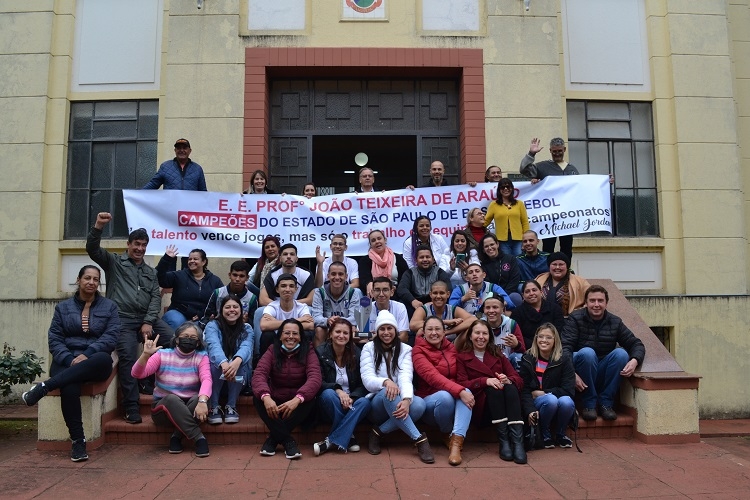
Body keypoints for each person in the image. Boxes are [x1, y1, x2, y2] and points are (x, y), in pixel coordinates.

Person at [21, 265, 119, 462]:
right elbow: (55, 338)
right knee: (69, 386)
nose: (91, 282)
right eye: (87, 278)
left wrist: (88, 354)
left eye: (95, 279)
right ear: (79, 280)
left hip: (94, 360)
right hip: (66, 359)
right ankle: (78, 441)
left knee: (102, 358)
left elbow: (111, 337)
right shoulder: (63, 308)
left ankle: (44, 387)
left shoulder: (110, 307)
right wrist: (68, 359)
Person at [86, 212, 173, 423]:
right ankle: (131, 406)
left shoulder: (150, 272)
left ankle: (156, 384)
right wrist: (98, 226)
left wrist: (148, 321)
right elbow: (93, 250)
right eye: (137, 244)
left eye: (144, 245)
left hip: (146, 318)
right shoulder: (114, 262)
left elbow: (155, 297)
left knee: (173, 339)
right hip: (122, 320)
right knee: (127, 357)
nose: (140, 249)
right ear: (128, 244)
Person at [561, 285, 645, 422]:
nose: (596, 304)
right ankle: (589, 405)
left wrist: (635, 360)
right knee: (588, 353)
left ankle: (606, 403)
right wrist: (571, 374)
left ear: (606, 303)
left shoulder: (615, 322)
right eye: (592, 300)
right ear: (586, 303)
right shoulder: (575, 319)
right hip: (581, 370)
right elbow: (564, 347)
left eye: (600, 301)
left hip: (602, 369)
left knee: (621, 354)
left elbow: (636, 344)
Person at [360, 311, 433, 463]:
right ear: (377, 331)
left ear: (396, 330)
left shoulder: (406, 349)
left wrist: (406, 399)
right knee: (389, 392)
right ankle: (419, 439)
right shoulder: (368, 347)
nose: (386, 332)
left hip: (398, 401)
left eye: (389, 328)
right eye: (382, 329)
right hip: (378, 403)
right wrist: (386, 382)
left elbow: (406, 376)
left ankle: (377, 432)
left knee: (419, 405)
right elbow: (367, 379)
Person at [131, 323, 212, 458]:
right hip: (163, 411)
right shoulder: (162, 355)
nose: (189, 339)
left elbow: (207, 380)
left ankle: (176, 436)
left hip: (191, 407)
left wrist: (203, 400)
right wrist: (145, 355)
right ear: (177, 339)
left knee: (200, 398)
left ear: (198, 343)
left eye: (193, 337)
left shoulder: (201, 357)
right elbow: (137, 374)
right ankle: (199, 438)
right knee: (172, 398)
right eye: (185, 336)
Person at [455, 320, 526, 464]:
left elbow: (518, 379)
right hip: (481, 409)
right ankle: (504, 441)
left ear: (489, 337)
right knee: (493, 389)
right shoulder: (462, 357)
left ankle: (517, 442)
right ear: (470, 336)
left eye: (485, 333)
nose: (481, 337)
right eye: (477, 333)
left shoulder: (497, 354)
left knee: (510, 386)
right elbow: (461, 384)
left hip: (505, 407)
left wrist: (508, 379)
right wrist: (484, 381)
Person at [252, 318, 322, 459]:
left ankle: (273, 439)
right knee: (258, 398)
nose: (291, 337)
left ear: (301, 337)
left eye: (295, 334)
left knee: (310, 398)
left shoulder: (308, 350)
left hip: (298, 402)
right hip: (276, 400)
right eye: (287, 333)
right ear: (280, 336)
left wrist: (298, 398)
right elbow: (259, 374)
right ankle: (288, 441)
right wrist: (266, 397)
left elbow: (315, 377)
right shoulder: (272, 350)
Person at [412, 316, 474, 466]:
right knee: (448, 395)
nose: (434, 333)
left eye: (438, 329)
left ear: (444, 331)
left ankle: (455, 444)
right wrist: (459, 391)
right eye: (430, 329)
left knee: (466, 391)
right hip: (429, 403)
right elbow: (433, 378)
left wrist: (462, 390)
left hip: (450, 396)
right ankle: (447, 432)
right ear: (424, 333)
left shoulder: (450, 347)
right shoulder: (417, 352)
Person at [313, 318, 371, 455]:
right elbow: (317, 382)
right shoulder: (319, 352)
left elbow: (363, 384)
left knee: (365, 402)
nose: (341, 335)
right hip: (330, 403)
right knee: (328, 394)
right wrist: (338, 391)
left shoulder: (357, 353)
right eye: (337, 332)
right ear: (330, 334)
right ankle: (349, 436)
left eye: (346, 333)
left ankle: (331, 441)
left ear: (350, 336)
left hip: (352, 403)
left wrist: (351, 397)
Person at [519, 137, 580, 257]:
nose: (557, 153)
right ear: (550, 151)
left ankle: (566, 272)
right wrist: (531, 153)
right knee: (548, 247)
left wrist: (605, 182)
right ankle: (547, 272)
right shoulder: (542, 167)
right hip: (548, 215)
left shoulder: (572, 169)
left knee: (567, 247)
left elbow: (582, 188)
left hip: (568, 215)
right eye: (554, 151)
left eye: (559, 151)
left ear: (564, 149)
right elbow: (524, 169)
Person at [520, 323, 576, 449]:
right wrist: (529, 410)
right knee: (551, 400)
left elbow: (568, 390)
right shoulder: (528, 358)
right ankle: (545, 434)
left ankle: (561, 434)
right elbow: (524, 389)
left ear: (555, 340)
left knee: (566, 401)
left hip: (553, 397)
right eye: (541, 336)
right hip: (538, 402)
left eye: (548, 337)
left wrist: (544, 392)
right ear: (536, 338)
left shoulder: (564, 359)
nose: (544, 340)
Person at [203, 295, 254, 425]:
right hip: (216, 376)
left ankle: (231, 406)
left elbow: (246, 347)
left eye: (235, 307)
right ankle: (214, 406)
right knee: (213, 362)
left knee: (240, 362)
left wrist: (236, 361)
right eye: (228, 307)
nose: (232, 310)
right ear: (221, 310)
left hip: (239, 379)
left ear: (241, 310)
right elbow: (213, 346)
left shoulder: (246, 328)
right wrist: (224, 364)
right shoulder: (212, 325)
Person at [156, 246, 223, 330]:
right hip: (178, 314)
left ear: (203, 262)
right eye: (190, 259)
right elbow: (158, 278)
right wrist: (166, 259)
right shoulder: (179, 275)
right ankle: (174, 343)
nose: (192, 261)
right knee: (176, 321)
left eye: (195, 259)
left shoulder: (215, 281)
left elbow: (221, 300)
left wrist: (202, 315)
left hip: (202, 318)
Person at [259, 274, 315, 357]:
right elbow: (263, 325)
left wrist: (275, 323)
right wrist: (299, 320)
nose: (287, 289)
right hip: (278, 341)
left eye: (291, 286)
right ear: (277, 289)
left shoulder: (302, 307)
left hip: (296, 340)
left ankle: (303, 362)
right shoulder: (272, 306)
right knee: (267, 335)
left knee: (307, 334)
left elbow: (310, 325)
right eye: (283, 286)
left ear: (296, 289)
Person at [311, 261, 363, 347]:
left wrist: (338, 322)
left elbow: (354, 318)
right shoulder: (319, 292)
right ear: (328, 276)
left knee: (354, 330)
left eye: (340, 274)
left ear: (346, 277)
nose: (337, 277)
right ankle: (320, 359)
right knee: (319, 330)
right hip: (327, 326)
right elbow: (316, 317)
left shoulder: (353, 292)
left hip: (345, 326)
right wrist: (327, 321)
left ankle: (349, 358)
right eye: (333, 274)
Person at [396, 246, 453, 318]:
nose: (425, 259)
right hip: (414, 304)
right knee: (402, 302)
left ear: (433, 259)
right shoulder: (410, 273)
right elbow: (402, 289)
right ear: (416, 260)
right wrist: (413, 301)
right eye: (421, 257)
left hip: (435, 303)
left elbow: (448, 289)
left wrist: (434, 302)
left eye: (428, 257)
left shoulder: (439, 272)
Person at [200, 260, 258, 328]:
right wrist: (210, 321)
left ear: (247, 278)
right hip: (219, 329)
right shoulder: (218, 293)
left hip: (241, 330)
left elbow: (254, 324)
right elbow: (206, 317)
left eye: (242, 276)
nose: (237, 279)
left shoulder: (252, 298)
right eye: (235, 275)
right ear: (229, 275)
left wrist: (247, 321)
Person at [409, 281, 473, 341]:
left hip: (451, 347)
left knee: (468, 330)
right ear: (430, 294)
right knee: (420, 331)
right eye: (435, 293)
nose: (438, 296)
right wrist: (444, 322)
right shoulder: (423, 309)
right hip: (428, 346)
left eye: (442, 293)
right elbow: (413, 325)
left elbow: (473, 320)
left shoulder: (453, 309)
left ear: (448, 294)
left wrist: (447, 332)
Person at [511, 280, 565, 350]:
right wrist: (535, 346)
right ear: (523, 295)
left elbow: (559, 331)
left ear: (541, 292)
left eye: (534, 290)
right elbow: (518, 335)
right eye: (527, 291)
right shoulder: (517, 312)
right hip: (527, 350)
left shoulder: (555, 309)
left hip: (552, 348)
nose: (531, 293)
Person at [484, 178, 529, 257]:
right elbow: (486, 221)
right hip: (502, 240)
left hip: (518, 239)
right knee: (507, 260)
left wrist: (526, 238)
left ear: (512, 189)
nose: (505, 189)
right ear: (499, 190)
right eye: (502, 187)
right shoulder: (494, 205)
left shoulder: (519, 204)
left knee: (519, 259)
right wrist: (473, 226)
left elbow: (525, 222)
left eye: (508, 187)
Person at [448, 263, 515, 316]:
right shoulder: (460, 290)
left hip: (489, 319)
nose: (474, 274)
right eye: (471, 272)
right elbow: (450, 310)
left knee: (509, 313)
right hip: (467, 321)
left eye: (477, 271)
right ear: (466, 278)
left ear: (484, 275)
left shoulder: (493, 287)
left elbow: (510, 304)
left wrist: (497, 301)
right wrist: (463, 299)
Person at [536, 252, 590, 316]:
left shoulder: (580, 282)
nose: (557, 267)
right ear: (549, 266)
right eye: (554, 264)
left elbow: (591, 298)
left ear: (567, 266)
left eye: (561, 264)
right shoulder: (539, 279)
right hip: (542, 320)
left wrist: (578, 314)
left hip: (570, 321)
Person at [142, 138, 207, 191]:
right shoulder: (165, 167)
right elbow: (153, 184)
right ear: (175, 150)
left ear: (190, 151)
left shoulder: (197, 169)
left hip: (189, 206)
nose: (181, 150)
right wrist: (136, 195)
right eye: (178, 148)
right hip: (171, 206)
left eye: (184, 148)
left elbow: (203, 192)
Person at [358, 229, 409, 297]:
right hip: (375, 294)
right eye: (373, 240)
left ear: (385, 240)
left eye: (379, 238)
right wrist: (369, 284)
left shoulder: (398, 258)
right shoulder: (364, 261)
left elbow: (405, 280)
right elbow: (364, 279)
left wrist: (392, 290)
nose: (377, 242)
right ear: (370, 244)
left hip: (396, 294)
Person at [481, 295, 526, 371]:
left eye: (495, 307)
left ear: (503, 310)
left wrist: (517, 345)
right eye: (488, 307)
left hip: (508, 363)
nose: (491, 311)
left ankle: (518, 382)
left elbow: (523, 350)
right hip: (487, 363)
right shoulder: (480, 325)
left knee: (518, 357)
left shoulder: (511, 324)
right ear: (483, 310)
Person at [361, 277, 410, 344]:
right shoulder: (365, 308)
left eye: (385, 290)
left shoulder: (400, 307)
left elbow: (404, 337)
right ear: (372, 292)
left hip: (394, 347)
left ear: (392, 292)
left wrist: (378, 337)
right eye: (377, 290)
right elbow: (359, 335)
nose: (381, 294)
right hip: (372, 347)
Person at [477, 234, 521, 298]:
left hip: (510, 294)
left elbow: (514, 280)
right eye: (486, 246)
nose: (490, 248)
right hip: (492, 297)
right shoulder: (483, 266)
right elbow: (487, 285)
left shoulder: (510, 259)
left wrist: (503, 295)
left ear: (497, 244)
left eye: (492, 244)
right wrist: (496, 297)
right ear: (483, 250)